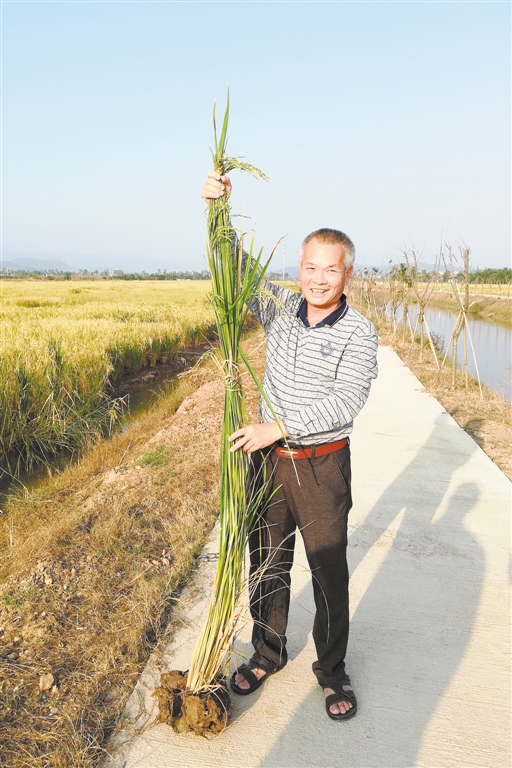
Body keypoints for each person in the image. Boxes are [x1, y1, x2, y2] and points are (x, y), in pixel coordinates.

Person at [201, 171, 378, 721]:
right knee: (269, 563)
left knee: (328, 573)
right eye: (310, 267)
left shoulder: (360, 332)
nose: (319, 278)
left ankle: (331, 671)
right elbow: (234, 271)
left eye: (331, 269)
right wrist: (219, 213)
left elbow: (346, 403)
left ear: (347, 273)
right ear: (298, 269)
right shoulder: (277, 312)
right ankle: (268, 653)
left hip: (322, 467)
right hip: (268, 466)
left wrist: (276, 427)